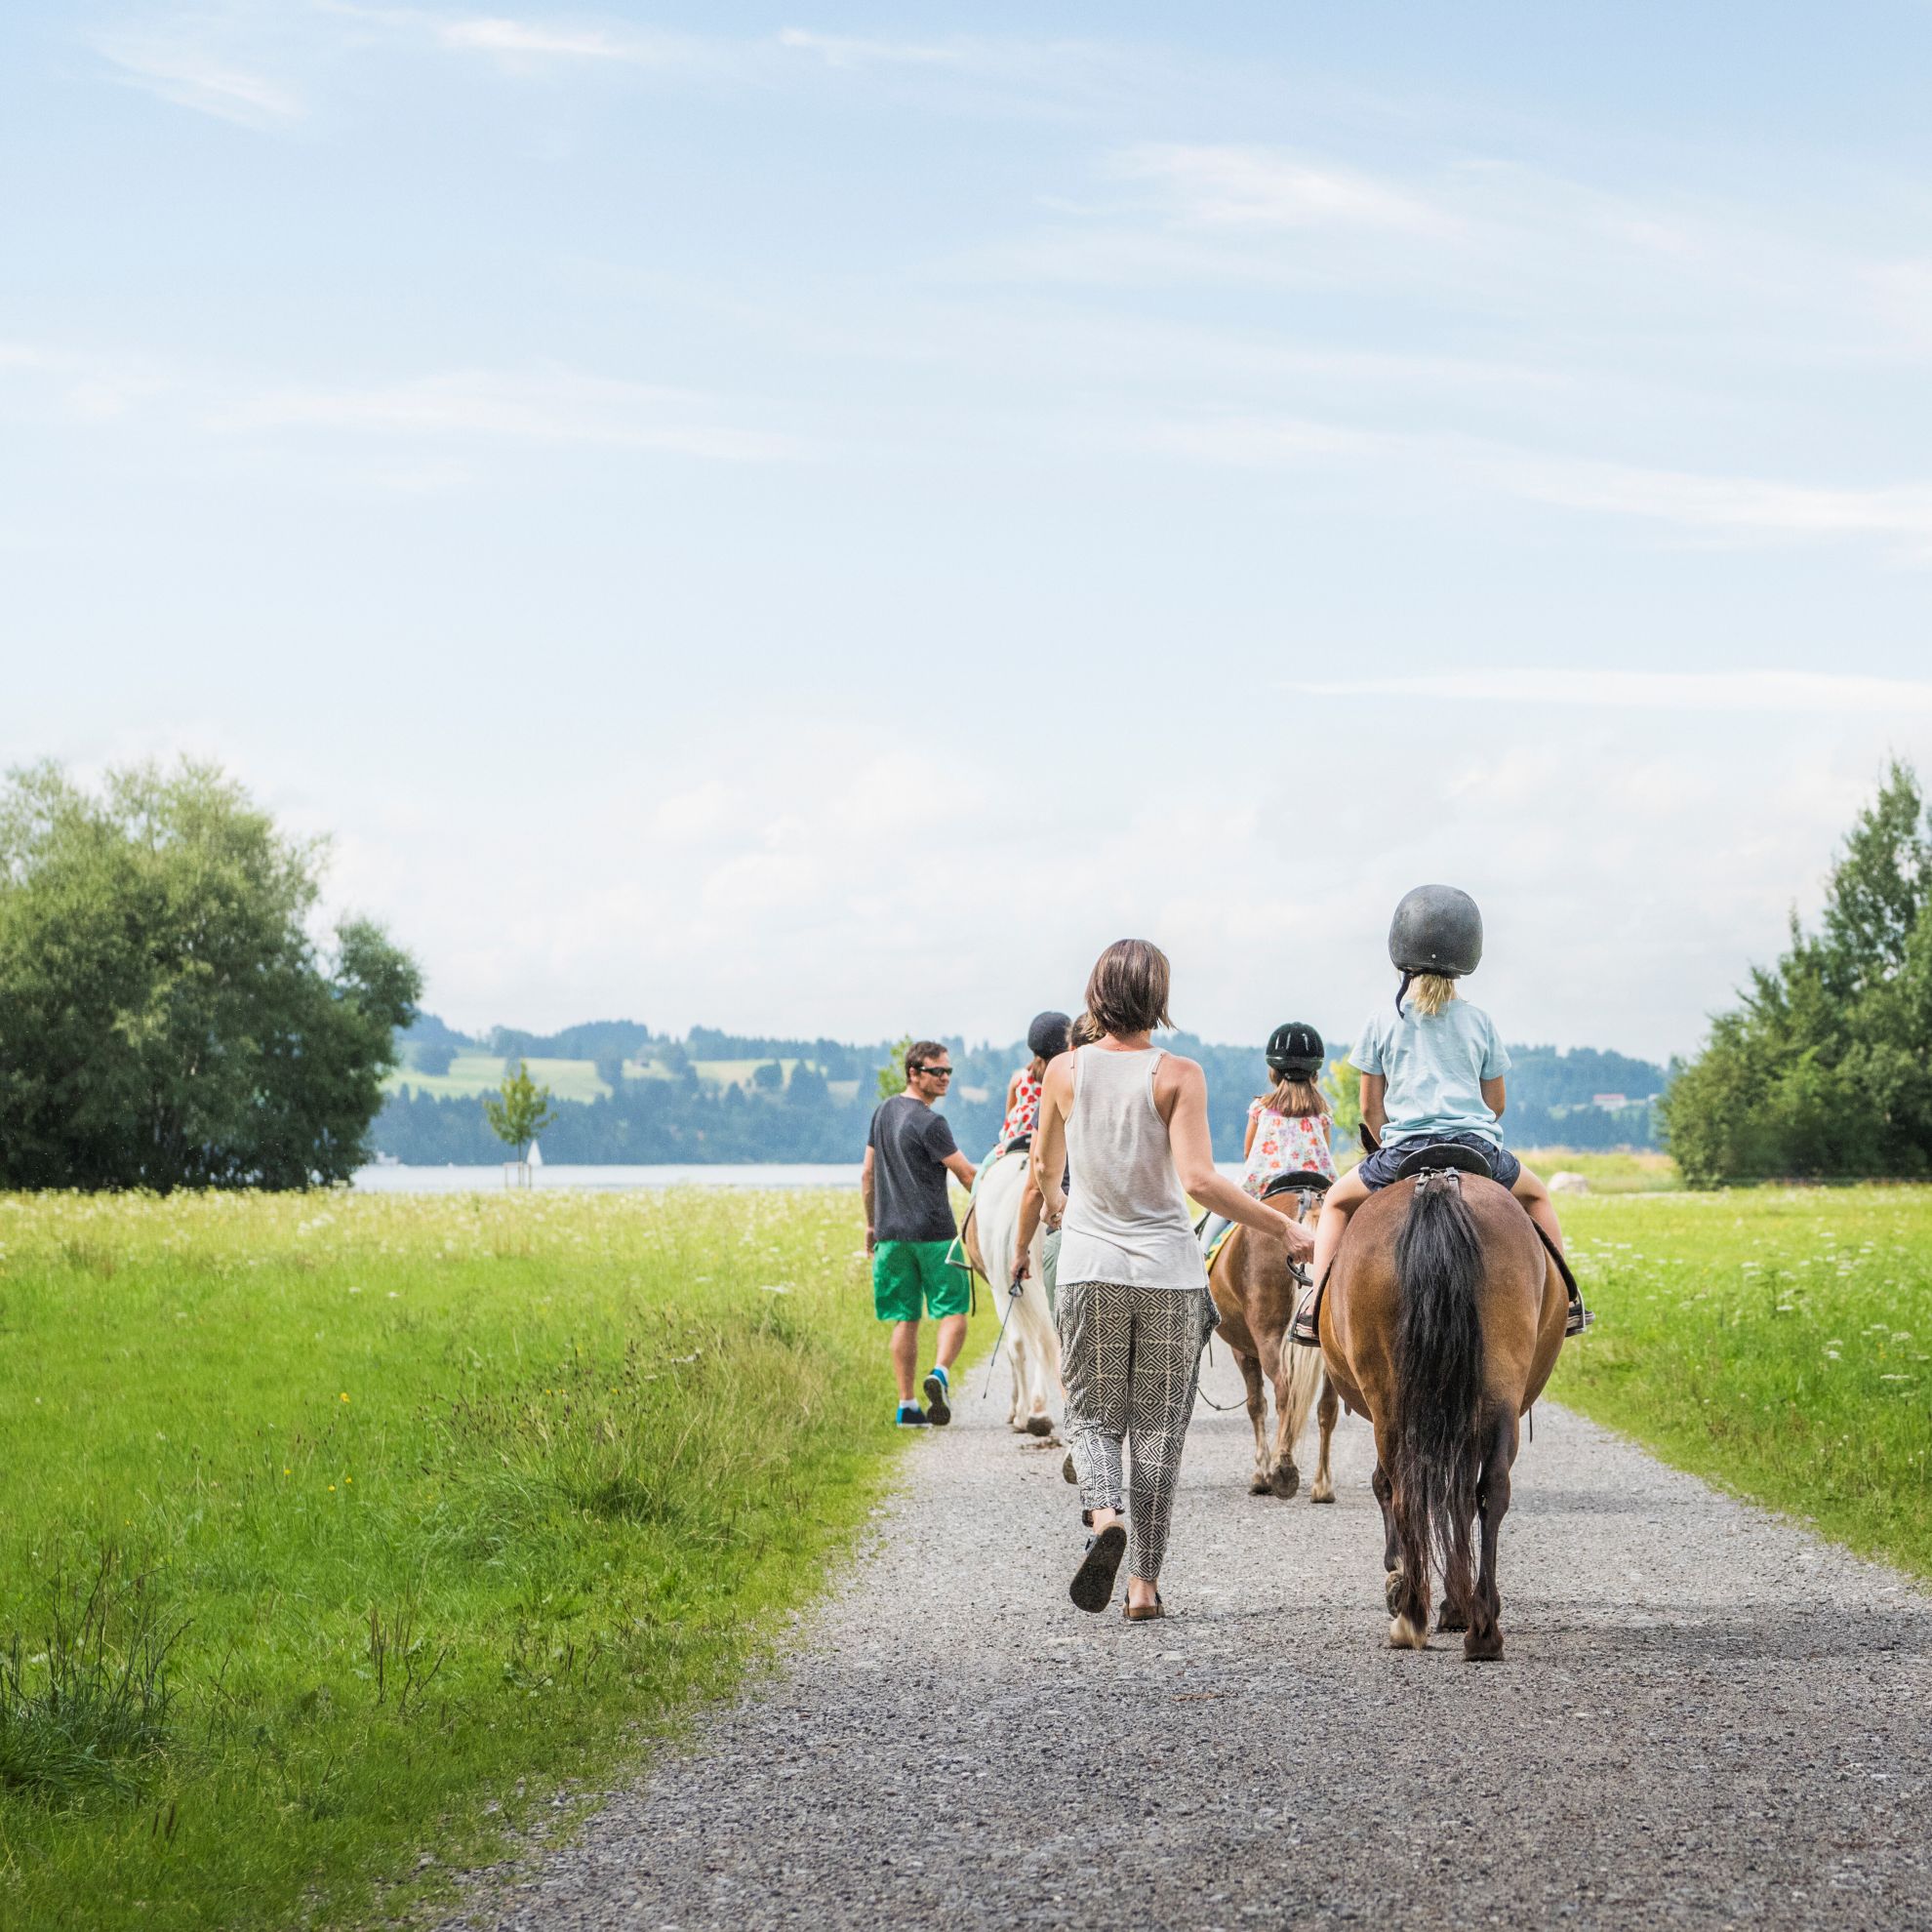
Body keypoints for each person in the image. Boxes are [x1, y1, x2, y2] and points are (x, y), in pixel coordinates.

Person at [1032, 941, 1315, 1622]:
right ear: (1158, 997)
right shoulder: (1179, 1074)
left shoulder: (1064, 1071)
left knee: (1093, 1417)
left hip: (1090, 1270)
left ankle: (1106, 1520)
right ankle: (1142, 1588)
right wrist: (1282, 1228)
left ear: (1097, 994)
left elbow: (1044, 1165)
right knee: (1158, 1434)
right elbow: (1199, 1181)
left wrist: (1060, 1205)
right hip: (1168, 1272)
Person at [1293, 885, 1588, 1346]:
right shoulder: (1480, 1021)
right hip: (1475, 1149)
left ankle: (1315, 1305)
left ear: (1399, 954)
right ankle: (1568, 1299)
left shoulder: (1381, 1021)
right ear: (1468, 956)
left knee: (1334, 1204)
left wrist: (1387, 1141)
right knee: (1538, 1197)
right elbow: (1496, 1103)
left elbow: (1370, 1106)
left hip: (1403, 1151)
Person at [862, 1040, 979, 1427]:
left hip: (891, 1237)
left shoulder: (883, 1112)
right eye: (936, 1071)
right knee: (954, 1311)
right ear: (914, 1073)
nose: (945, 1078)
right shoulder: (931, 1123)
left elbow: (867, 1174)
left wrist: (871, 1225)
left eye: (948, 1071)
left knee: (905, 1319)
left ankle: (907, 1406)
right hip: (935, 1235)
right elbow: (966, 1174)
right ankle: (940, 1373)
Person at [1242, 1022, 1336, 1194]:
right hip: (1317, 1183)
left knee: (1222, 1208)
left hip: (1264, 1185)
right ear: (1314, 1073)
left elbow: (1248, 1153)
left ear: (1273, 1072)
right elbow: (1326, 1151)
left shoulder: (1260, 1108)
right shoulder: (1322, 1112)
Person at [991, 1011, 1072, 1155]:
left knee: (987, 1166)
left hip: (1014, 1141)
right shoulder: (1065, 1081)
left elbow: (1009, 1117)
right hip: (1050, 1141)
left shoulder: (1019, 1079)